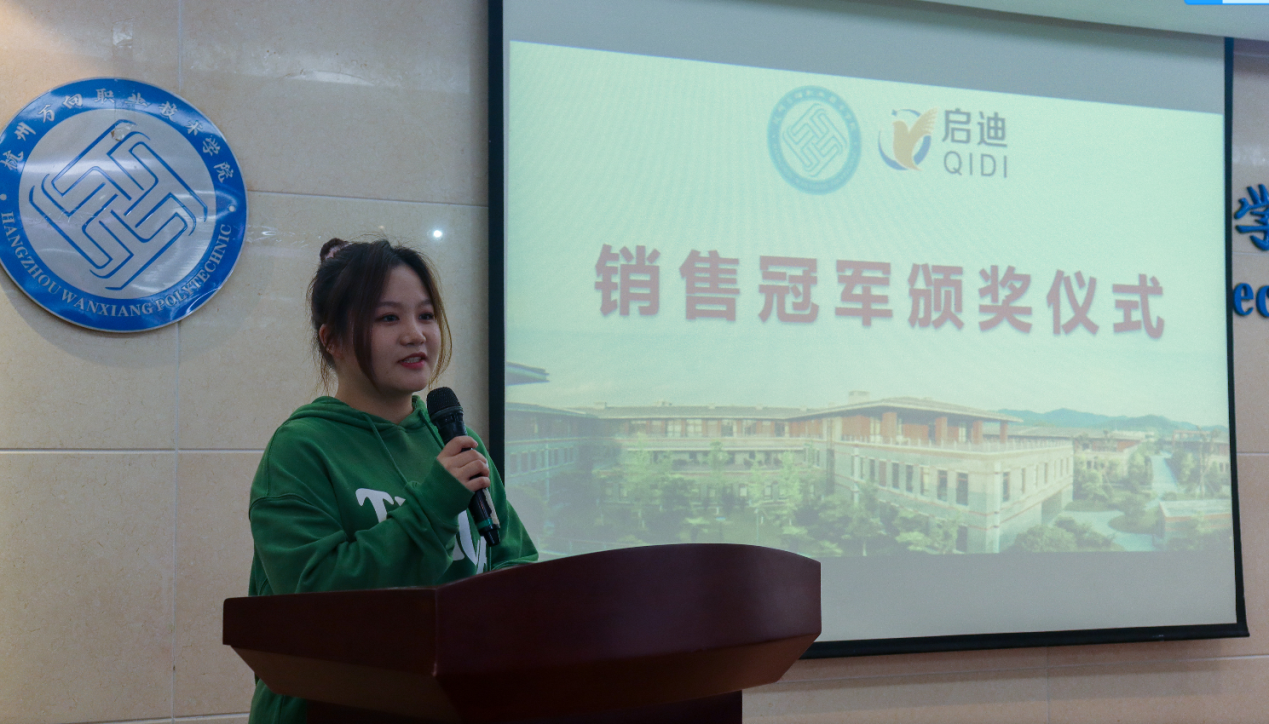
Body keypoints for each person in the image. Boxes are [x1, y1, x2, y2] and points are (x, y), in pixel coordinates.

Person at [246, 238, 537, 724]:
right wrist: (433, 506)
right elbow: (315, 599)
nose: (415, 335)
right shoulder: (302, 449)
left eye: (426, 316)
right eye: (388, 318)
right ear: (332, 340)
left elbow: (515, 561)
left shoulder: (457, 441)